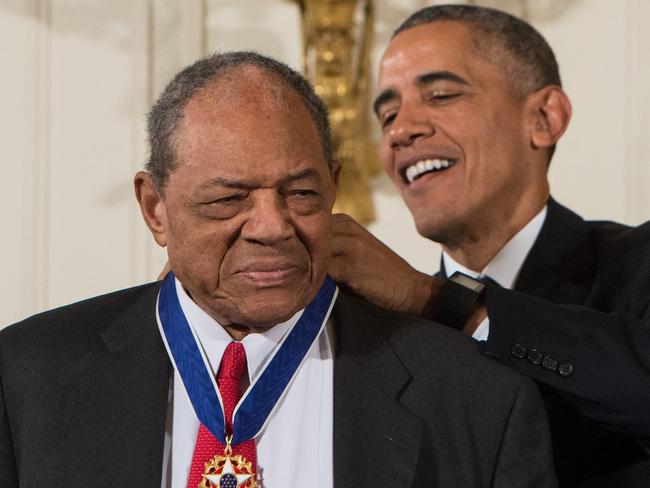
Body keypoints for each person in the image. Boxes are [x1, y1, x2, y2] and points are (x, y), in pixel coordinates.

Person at [0, 52, 556, 487]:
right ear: (155, 208)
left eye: (302, 192)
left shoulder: (475, 395)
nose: (272, 226)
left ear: (334, 187)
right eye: (228, 200)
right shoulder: (27, 377)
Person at [329, 5, 650, 487]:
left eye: (440, 94)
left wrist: (439, 300)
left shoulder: (636, 263)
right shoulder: (377, 331)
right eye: (388, 114)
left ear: (544, 117)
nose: (400, 130)